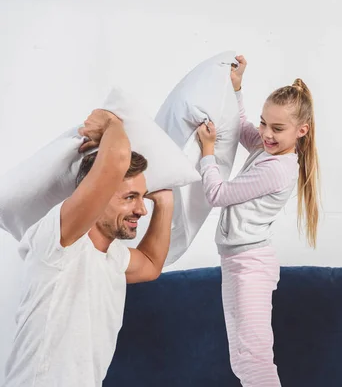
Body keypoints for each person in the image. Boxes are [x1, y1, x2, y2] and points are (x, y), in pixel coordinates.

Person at [4, 109, 174, 387]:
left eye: (142, 197)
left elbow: (151, 264)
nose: (141, 209)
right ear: (98, 193)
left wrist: (165, 202)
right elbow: (116, 160)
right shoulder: (60, 238)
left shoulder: (113, 257)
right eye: (130, 197)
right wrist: (111, 122)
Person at [196, 55, 321, 386]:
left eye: (277, 128)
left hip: (250, 264)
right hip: (237, 260)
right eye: (264, 122)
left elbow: (218, 194)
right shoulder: (269, 150)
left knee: (254, 359)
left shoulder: (278, 168)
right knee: (242, 360)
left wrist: (207, 152)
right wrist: (237, 90)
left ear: (301, 131)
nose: (266, 133)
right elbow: (243, 130)